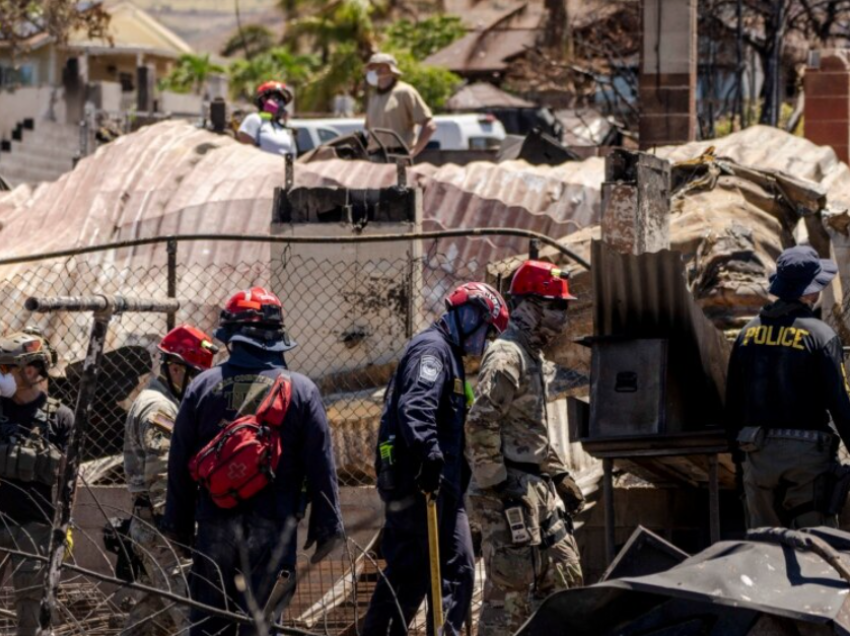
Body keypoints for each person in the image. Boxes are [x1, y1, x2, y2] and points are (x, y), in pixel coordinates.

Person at [163, 287, 344, 636]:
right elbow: (321, 465)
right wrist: (328, 527)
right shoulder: (303, 390)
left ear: (231, 336)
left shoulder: (201, 386)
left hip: (214, 522)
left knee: (208, 621)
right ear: (276, 335)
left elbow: (179, 462)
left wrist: (178, 524)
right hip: (274, 526)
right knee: (261, 624)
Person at [363, 282, 509, 636]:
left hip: (445, 486)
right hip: (419, 484)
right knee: (409, 573)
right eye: (486, 330)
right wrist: (428, 455)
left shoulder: (452, 359)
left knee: (458, 570)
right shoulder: (432, 351)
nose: (484, 341)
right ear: (470, 315)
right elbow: (415, 407)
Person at [466, 260, 585, 636]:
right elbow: (480, 421)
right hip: (509, 493)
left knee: (566, 577)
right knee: (509, 600)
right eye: (554, 306)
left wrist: (561, 477)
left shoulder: (530, 355)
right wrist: (497, 486)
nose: (561, 318)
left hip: (536, 488)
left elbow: (527, 432)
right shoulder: (506, 356)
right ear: (528, 306)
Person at [726, 245, 850, 529]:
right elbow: (840, 404)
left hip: (757, 457)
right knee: (816, 549)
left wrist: (740, 462)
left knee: (763, 551)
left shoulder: (747, 335)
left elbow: (732, 404)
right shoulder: (821, 336)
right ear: (810, 292)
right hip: (807, 462)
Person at [123, 325, 217, 636]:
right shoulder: (159, 407)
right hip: (164, 529)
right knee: (192, 613)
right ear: (176, 369)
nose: (203, 383)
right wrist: (179, 530)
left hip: (154, 526)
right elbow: (162, 475)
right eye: (197, 374)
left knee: (151, 617)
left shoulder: (166, 402)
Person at [0, 328, 73, 636]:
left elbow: (69, 480)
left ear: (29, 370)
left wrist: (65, 525)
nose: (0, 374)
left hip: (35, 527)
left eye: (6, 368)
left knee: (31, 615)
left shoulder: (60, 418)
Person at [364, 52, 436, 158]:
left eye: (380, 66)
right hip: (375, 157)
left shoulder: (405, 91)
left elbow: (430, 125)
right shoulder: (373, 97)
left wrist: (414, 152)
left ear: (390, 68)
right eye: (373, 66)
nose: (375, 70)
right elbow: (370, 132)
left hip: (397, 155)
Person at [237, 81, 297, 157]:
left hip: (281, 168)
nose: (280, 103)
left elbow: (291, 158)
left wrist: (289, 169)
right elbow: (244, 154)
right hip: (261, 168)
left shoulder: (284, 127)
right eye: (276, 98)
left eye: (282, 99)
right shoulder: (254, 120)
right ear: (263, 99)